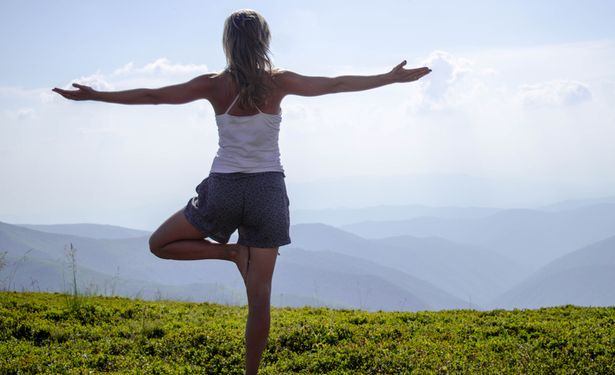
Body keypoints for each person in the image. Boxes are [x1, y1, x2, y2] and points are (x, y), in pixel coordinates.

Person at [53, 8, 431, 374]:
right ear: (264, 41)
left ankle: (230, 253)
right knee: (259, 300)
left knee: (159, 243)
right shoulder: (278, 82)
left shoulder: (214, 85)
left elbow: (153, 96)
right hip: (268, 192)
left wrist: (97, 96)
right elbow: (336, 84)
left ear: (227, 44)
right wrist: (388, 78)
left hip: (224, 191)